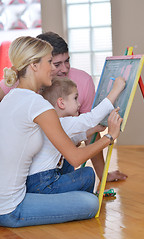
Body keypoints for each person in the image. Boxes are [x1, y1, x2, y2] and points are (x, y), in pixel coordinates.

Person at [0, 36, 125, 227]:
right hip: (11, 209)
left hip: (10, 198)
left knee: (79, 178)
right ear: (34, 65)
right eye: (49, 62)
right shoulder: (37, 104)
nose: (54, 69)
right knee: (91, 203)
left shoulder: (11, 99)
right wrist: (109, 136)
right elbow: (75, 158)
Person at [26, 77, 114, 194]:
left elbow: (70, 140)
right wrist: (116, 89)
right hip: (44, 183)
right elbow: (92, 118)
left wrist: (94, 129)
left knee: (66, 157)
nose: (79, 103)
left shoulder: (53, 122)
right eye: (75, 98)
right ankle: (82, 200)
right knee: (87, 174)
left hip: (35, 181)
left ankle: (75, 195)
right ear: (61, 103)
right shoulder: (61, 122)